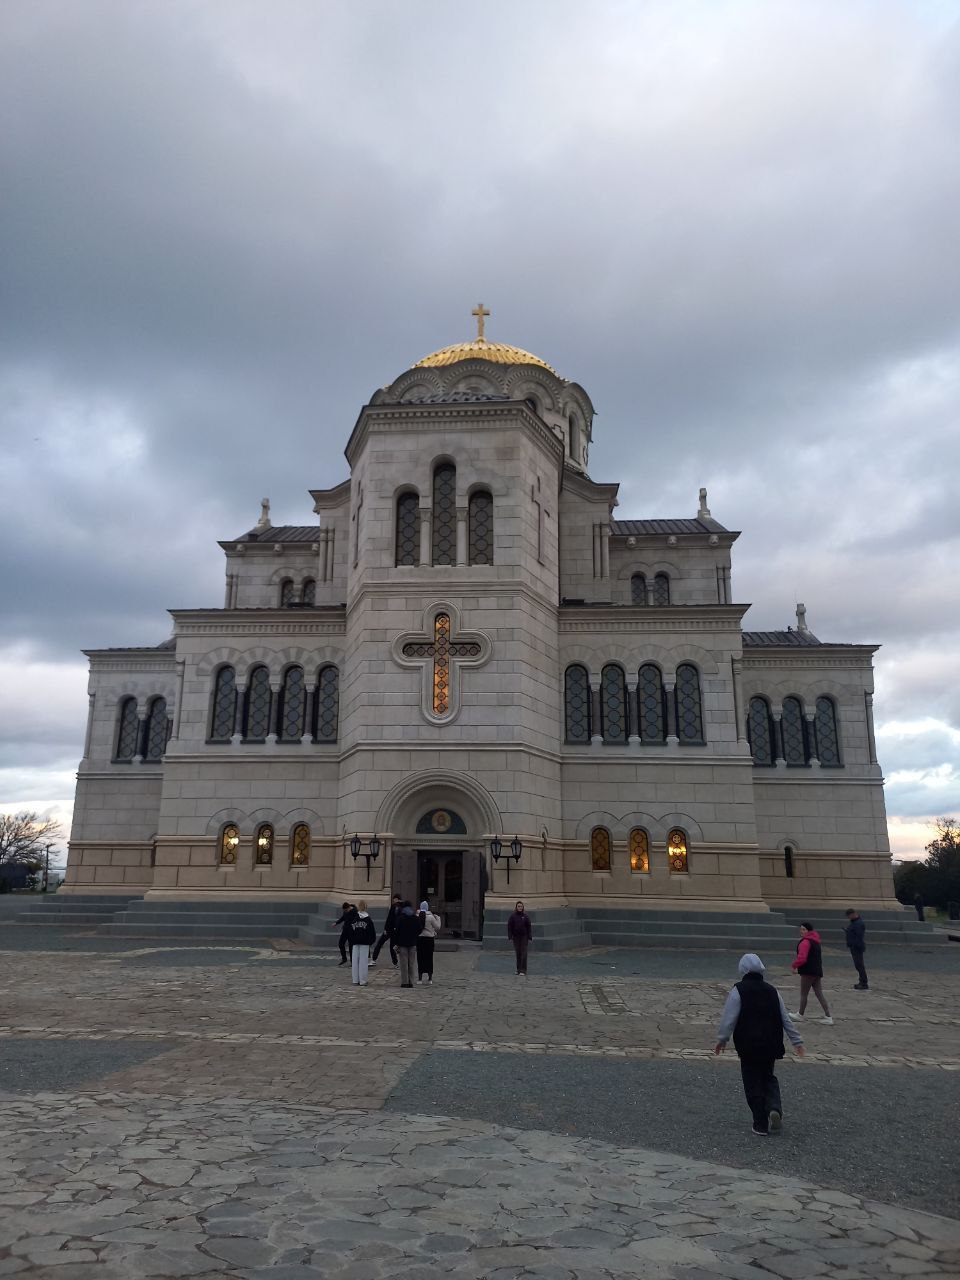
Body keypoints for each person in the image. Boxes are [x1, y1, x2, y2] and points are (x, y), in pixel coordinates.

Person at [715, 953, 805, 1136]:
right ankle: (774, 1108)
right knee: (768, 1077)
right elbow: (785, 1018)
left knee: (752, 1081)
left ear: (743, 970)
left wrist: (722, 1039)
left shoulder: (738, 990)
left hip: (748, 1045)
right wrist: (797, 1041)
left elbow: (729, 1018)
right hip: (771, 1043)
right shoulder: (773, 990)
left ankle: (760, 1123)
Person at [789, 922, 833, 1024]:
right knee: (819, 993)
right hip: (817, 971)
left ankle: (800, 1014)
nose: (801, 931)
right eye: (801, 929)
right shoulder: (816, 941)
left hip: (808, 972)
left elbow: (802, 958)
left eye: (804, 929)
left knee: (804, 994)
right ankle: (828, 1016)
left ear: (809, 931)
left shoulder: (805, 942)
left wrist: (794, 965)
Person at [392, 900, 423, 988]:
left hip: (402, 943)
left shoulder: (401, 918)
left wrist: (396, 943)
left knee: (404, 964)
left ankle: (405, 982)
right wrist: (414, 935)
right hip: (412, 943)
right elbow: (420, 929)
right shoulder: (415, 918)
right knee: (411, 964)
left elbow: (397, 932)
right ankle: (411, 981)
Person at [347, 899, 377, 986]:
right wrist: (370, 941)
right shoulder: (368, 919)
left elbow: (350, 930)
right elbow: (372, 932)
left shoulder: (354, 919)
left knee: (355, 961)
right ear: (366, 907)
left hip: (355, 943)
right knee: (363, 962)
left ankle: (355, 980)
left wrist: (352, 941)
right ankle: (363, 980)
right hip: (365, 943)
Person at [371, 894, 402, 967]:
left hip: (395, 931)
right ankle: (374, 959)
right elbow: (389, 918)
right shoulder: (392, 907)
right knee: (379, 943)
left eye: (396, 899)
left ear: (398, 900)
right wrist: (385, 929)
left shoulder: (401, 908)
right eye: (394, 899)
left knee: (392, 947)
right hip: (388, 930)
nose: (394, 900)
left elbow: (400, 920)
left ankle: (395, 963)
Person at [416, 899, 442, 984]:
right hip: (429, 939)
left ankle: (419, 978)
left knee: (420, 958)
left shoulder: (418, 916)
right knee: (429, 958)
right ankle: (430, 978)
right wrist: (438, 919)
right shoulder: (430, 917)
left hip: (420, 939)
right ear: (427, 908)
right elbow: (437, 927)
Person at [844, 908, 868, 989]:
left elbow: (859, 937)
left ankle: (864, 983)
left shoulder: (858, 923)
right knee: (858, 965)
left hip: (857, 947)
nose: (849, 918)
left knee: (859, 965)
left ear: (853, 914)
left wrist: (854, 945)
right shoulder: (855, 922)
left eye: (849, 916)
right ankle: (862, 981)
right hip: (855, 946)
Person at [507, 900, 533, 976]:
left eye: (521, 906)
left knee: (524, 953)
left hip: (524, 937)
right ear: (516, 907)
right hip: (516, 937)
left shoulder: (525, 916)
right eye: (518, 906)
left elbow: (529, 927)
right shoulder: (512, 916)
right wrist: (510, 937)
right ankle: (518, 969)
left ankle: (523, 970)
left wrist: (530, 937)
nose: (520, 908)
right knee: (518, 953)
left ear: (523, 907)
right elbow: (509, 926)